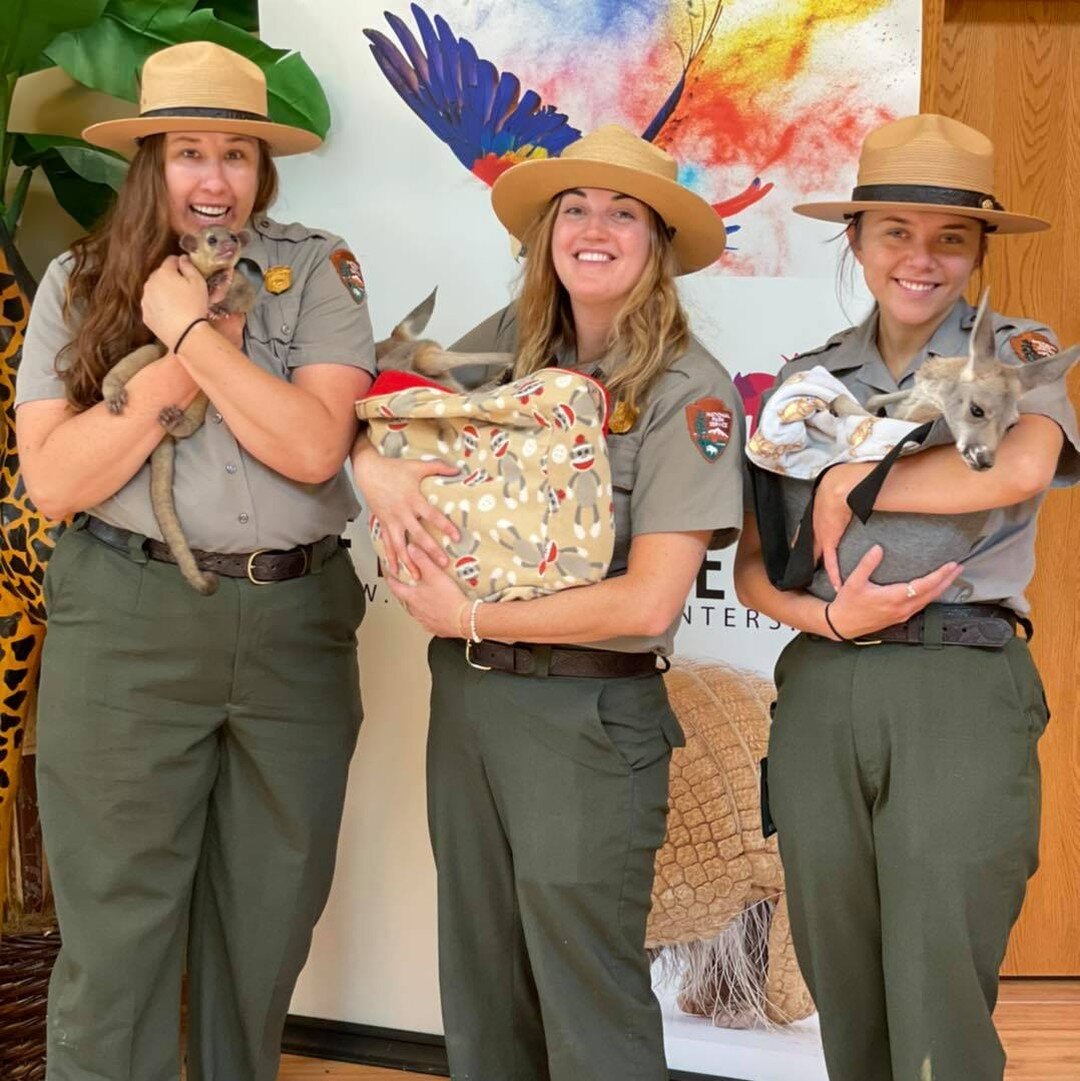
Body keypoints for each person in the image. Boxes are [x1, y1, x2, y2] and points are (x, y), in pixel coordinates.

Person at [351, 125, 742, 1081]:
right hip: (475, 705)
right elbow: (373, 410)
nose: (594, 228)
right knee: (482, 983)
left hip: (589, 716)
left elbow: (649, 601)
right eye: (575, 208)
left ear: (658, 243)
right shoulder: (506, 350)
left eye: (623, 212)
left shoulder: (686, 390)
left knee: (586, 997)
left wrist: (474, 618)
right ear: (547, 235)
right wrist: (375, 474)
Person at [15, 41, 373, 1081]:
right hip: (127, 619)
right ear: (149, 163)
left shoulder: (314, 269)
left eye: (236, 155)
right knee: (118, 936)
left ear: (264, 169)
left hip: (294, 627)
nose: (213, 180)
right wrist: (175, 371)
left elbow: (313, 446)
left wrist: (194, 333)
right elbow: (54, 481)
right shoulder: (78, 287)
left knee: (264, 926)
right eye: (188, 154)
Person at [733, 113, 1080, 1081]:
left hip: (957, 680)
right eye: (894, 230)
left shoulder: (1013, 353)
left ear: (978, 249)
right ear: (855, 239)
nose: (920, 258)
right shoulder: (805, 381)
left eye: (949, 237)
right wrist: (828, 617)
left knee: (940, 980)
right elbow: (758, 564)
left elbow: (1016, 467)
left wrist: (858, 477)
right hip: (827, 681)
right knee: (841, 968)